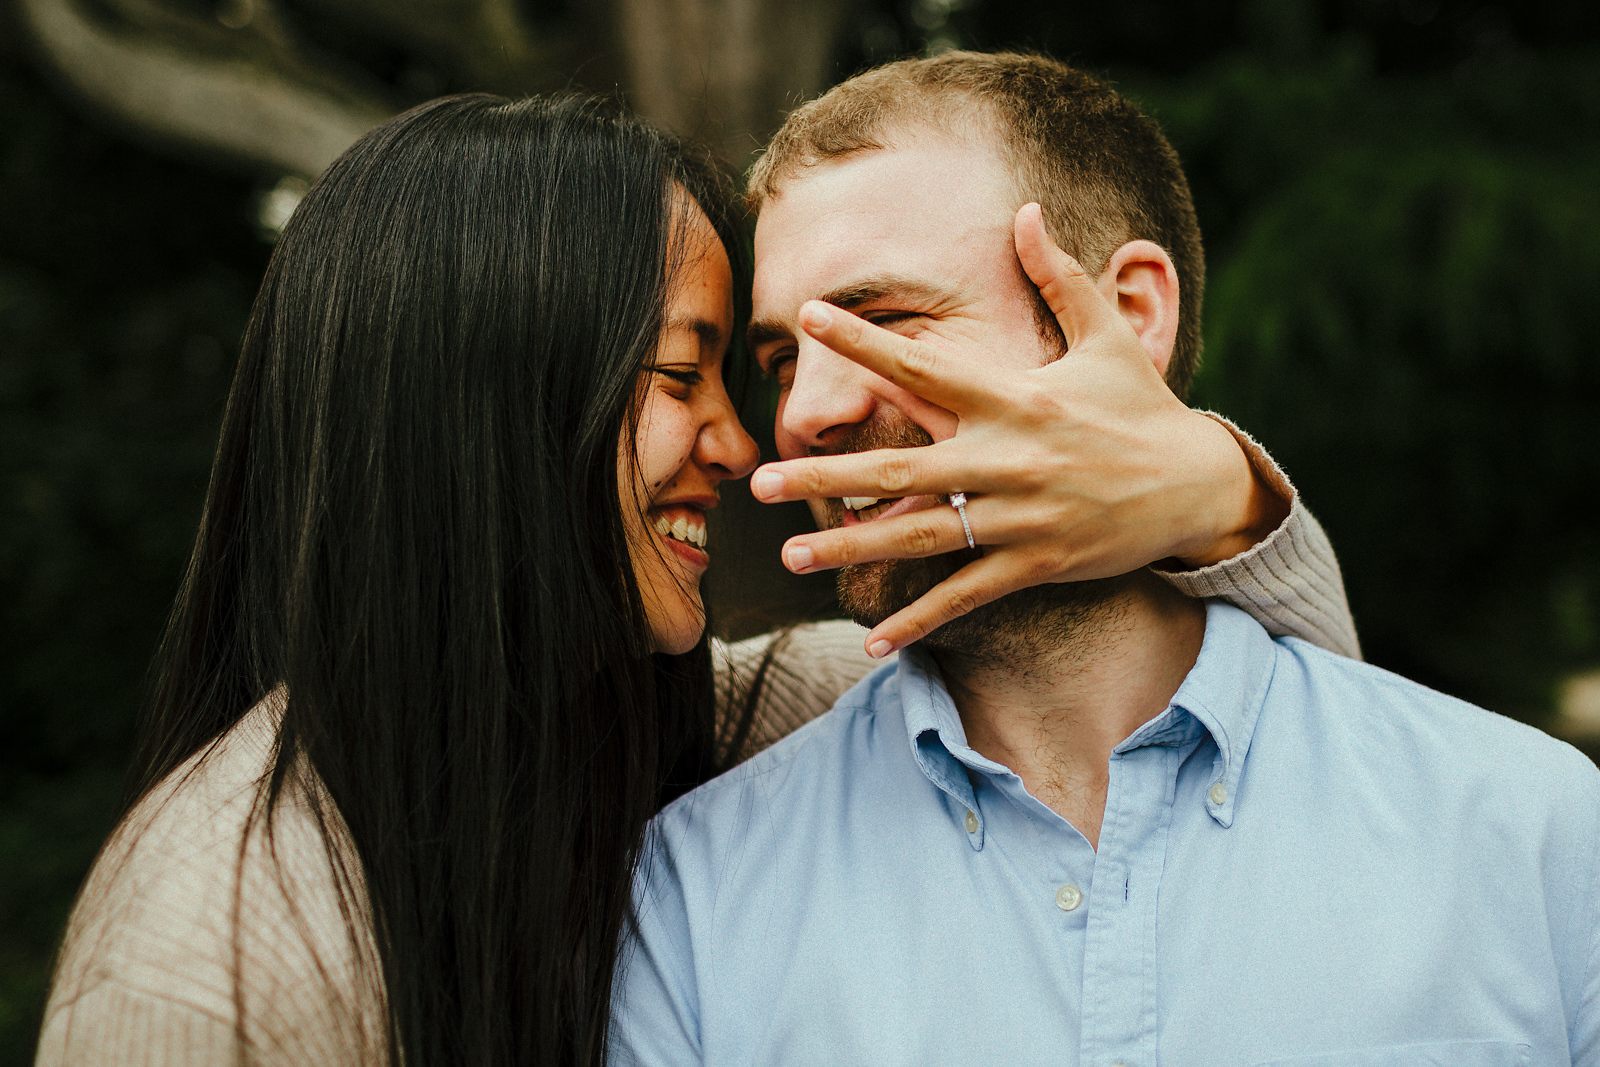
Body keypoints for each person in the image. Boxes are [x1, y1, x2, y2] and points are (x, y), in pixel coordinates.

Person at [35, 90, 1349, 1067]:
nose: (742, 439)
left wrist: (1211, 488)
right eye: (683, 374)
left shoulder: (732, 722)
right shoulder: (210, 968)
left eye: (741, 374)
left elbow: (1298, 754)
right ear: (495, 411)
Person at [609, 53, 1600, 1065]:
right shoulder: (693, 893)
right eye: (781, 359)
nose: (805, 412)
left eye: (886, 322)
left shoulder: (1537, 835)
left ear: (1129, 316)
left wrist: (1224, 488)